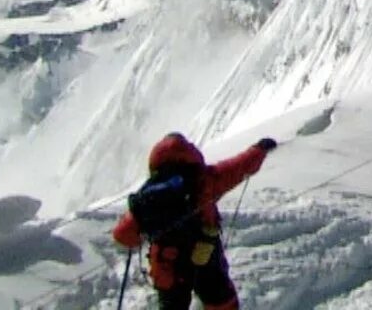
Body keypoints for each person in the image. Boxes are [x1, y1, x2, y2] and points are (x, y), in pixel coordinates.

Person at [112, 132, 276, 310]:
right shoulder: (204, 179)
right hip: (204, 258)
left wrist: (143, 233)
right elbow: (237, 167)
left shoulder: (149, 195)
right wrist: (259, 149)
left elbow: (122, 236)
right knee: (221, 302)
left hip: (168, 268)